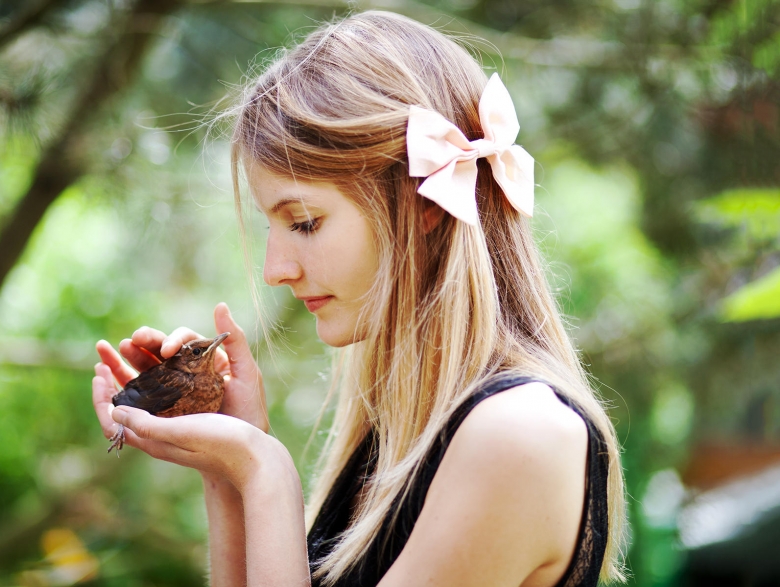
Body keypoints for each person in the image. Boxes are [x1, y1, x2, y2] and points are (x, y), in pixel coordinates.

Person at [91, 10, 626, 587]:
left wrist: (264, 471)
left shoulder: (518, 437)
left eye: (304, 221)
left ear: (422, 205)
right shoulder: (396, 437)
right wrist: (229, 465)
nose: (275, 270)